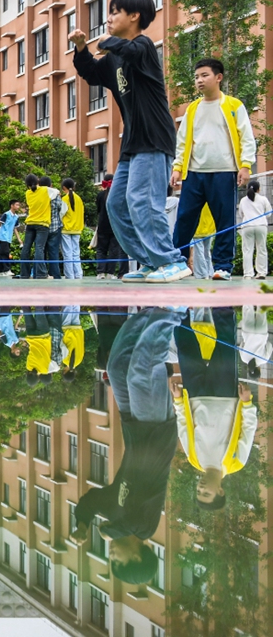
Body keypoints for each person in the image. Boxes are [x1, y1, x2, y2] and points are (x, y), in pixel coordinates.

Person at [71, 0, 188, 284]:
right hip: (132, 142)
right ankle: (151, 262)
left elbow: (131, 51)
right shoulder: (113, 60)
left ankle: (171, 260)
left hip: (153, 136)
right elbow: (90, 72)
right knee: (116, 205)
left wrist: (105, 41)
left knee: (142, 200)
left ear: (134, 16)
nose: (108, 18)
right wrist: (82, 47)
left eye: (114, 12)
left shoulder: (143, 47)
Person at [70, 308, 180, 584]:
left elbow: (92, 501)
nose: (111, 553)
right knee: (142, 373)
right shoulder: (145, 526)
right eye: (118, 559)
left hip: (134, 427)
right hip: (155, 431)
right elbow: (130, 522)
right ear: (138, 556)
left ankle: (148, 313)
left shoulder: (115, 514)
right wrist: (112, 529)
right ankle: (174, 311)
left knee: (117, 368)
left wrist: (82, 524)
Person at [171, 58, 256, 281]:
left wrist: (245, 166)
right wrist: (177, 168)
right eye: (197, 76)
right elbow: (182, 141)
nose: (199, 80)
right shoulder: (192, 108)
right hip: (194, 175)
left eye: (204, 75)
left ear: (218, 77)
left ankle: (223, 267)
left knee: (225, 221)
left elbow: (246, 137)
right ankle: (178, 263)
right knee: (184, 221)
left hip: (225, 172)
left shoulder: (234, 106)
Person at [172, 307, 254, 513]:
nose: (200, 489)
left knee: (185, 348)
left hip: (196, 393)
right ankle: (223, 307)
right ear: (220, 491)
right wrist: (247, 403)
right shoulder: (236, 462)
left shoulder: (194, 460)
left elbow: (183, 427)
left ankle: (179, 308)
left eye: (198, 493)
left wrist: (178, 402)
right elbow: (249, 430)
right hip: (225, 393)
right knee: (225, 345)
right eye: (206, 493)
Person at [95, 174, 127, 279]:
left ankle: (100, 272)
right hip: (115, 226)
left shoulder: (100, 195)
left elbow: (98, 210)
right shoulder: (118, 195)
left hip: (102, 225)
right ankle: (110, 273)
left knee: (101, 250)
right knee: (114, 250)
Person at [20, 175, 50, 279]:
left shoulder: (28, 193)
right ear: (38, 181)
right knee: (39, 248)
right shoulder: (46, 190)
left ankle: (24, 273)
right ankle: (41, 273)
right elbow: (57, 193)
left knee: (26, 248)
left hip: (30, 223)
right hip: (42, 223)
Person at [239, 181, 270, 279]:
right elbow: (268, 214)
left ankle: (248, 273)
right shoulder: (263, 199)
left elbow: (241, 214)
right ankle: (261, 272)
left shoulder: (243, 200)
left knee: (247, 250)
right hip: (261, 225)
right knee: (262, 249)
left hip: (247, 226)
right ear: (259, 189)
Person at [39, 176, 65, 278]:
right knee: (53, 252)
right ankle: (55, 275)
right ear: (51, 185)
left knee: (41, 251)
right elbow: (60, 207)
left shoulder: (39, 194)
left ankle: (42, 274)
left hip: (42, 227)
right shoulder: (56, 194)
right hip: (55, 226)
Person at [61, 178, 85, 280]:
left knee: (67, 254)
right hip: (77, 228)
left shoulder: (64, 199)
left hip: (66, 229)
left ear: (63, 188)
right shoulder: (79, 198)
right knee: (76, 253)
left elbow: (61, 214)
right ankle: (78, 275)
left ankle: (70, 276)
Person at [0, 200, 22, 277]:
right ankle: (7, 269)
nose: (18, 206)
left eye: (18, 205)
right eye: (16, 205)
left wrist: (19, 239)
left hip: (9, 237)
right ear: (12, 205)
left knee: (4, 253)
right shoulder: (6, 214)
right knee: (5, 253)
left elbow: (15, 228)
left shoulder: (16, 217)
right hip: (2, 236)